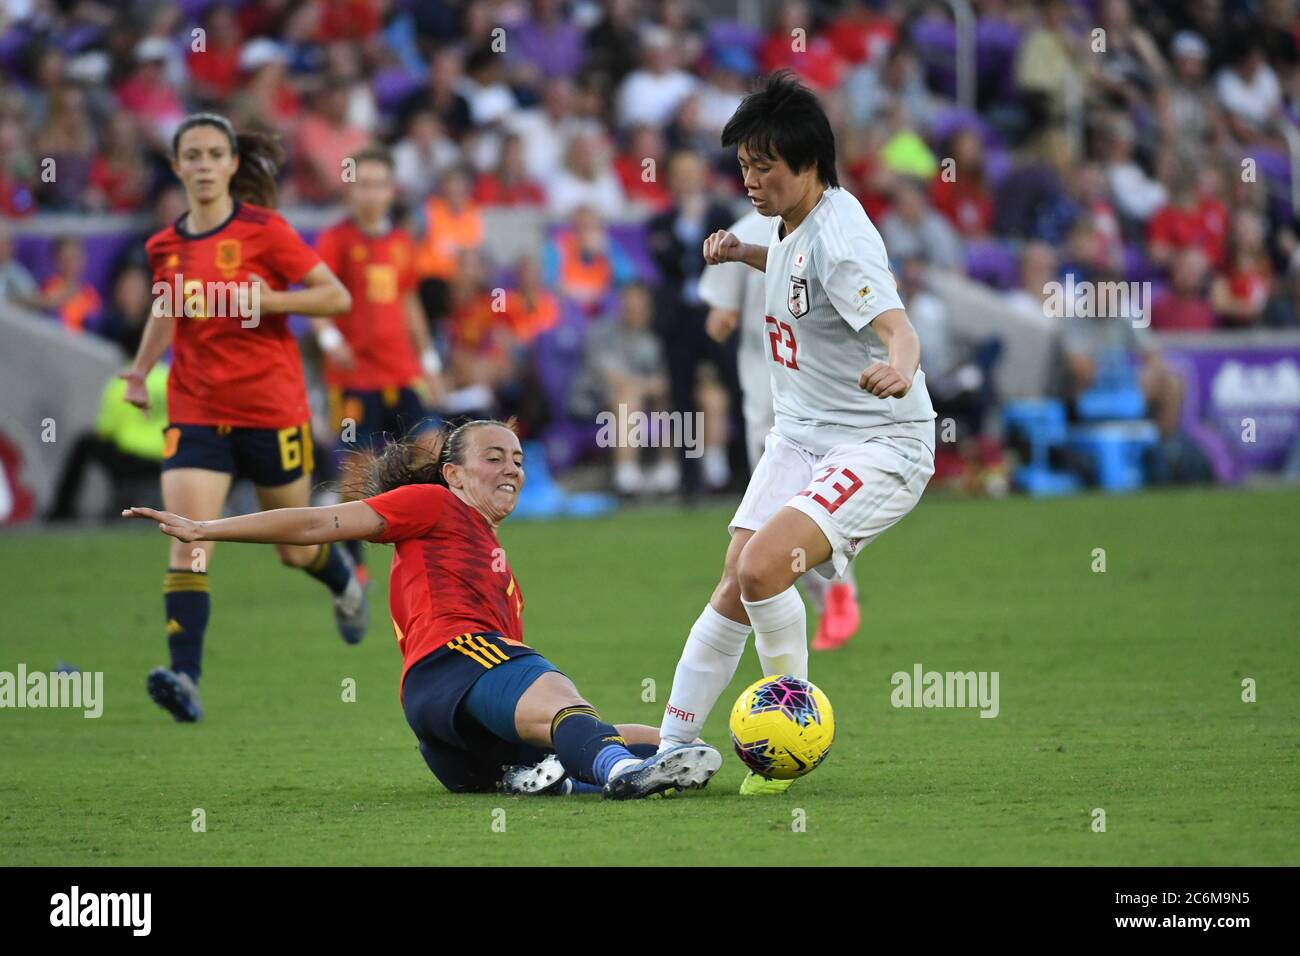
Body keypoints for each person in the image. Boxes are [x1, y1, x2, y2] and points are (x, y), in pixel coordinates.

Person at [124, 420, 722, 799]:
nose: (512, 466)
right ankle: (615, 777)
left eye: (518, 457)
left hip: (446, 734)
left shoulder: (500, 572)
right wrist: (207, 527)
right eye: (494, 456)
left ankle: (622, 766)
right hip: (456, 664)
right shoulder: (432, 503)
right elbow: (315, 523)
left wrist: (675, 748)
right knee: (559, 695)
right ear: (455, 474)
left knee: (619, 735)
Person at [660, 71, 936, 795]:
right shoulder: (794, 221)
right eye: (744, 165)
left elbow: (896, 329)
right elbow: (791, 266)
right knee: (732, 584)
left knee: (761, 571)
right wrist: (743, 254)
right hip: (803, 433)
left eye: (764, 166)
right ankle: (670, 748)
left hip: (881, 442)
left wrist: (901, 370)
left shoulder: (844, 242)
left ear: (809, 163)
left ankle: (790, 738)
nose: (750, 180)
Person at [121, 112, 361, 723]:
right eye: (191, 155)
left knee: (292, 547)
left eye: (212, 154)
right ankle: (185, 678)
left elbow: (336, 296)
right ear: (176, 166)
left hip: (271, 410)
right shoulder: (163, 245)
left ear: (232, 165)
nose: (202, 165)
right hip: (197, 410)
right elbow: (166, 308)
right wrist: (139, 368)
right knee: (188, 540)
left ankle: (342, 579)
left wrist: (269, 299)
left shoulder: (265, 230)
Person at [699, 208, 862, 651]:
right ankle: (834, 597)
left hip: (773, 404)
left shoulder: (741, 233)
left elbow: (720, 320)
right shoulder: (835, 227)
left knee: (778, 519)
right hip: (821, 400)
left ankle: (810, 607)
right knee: (812, 508)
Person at [313, 143, 443, 581]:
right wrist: (332, 340)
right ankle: (353, 562)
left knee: (432, 447)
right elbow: (317, 298)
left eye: (378, 185)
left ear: (391, 190)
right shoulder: (336, 240)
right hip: (354, 376)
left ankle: (424, 539)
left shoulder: (402, 243)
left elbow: (409, 303)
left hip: (400, 370)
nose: (370, 193)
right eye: (362, 184)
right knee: (357, 468)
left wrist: (429, 359)